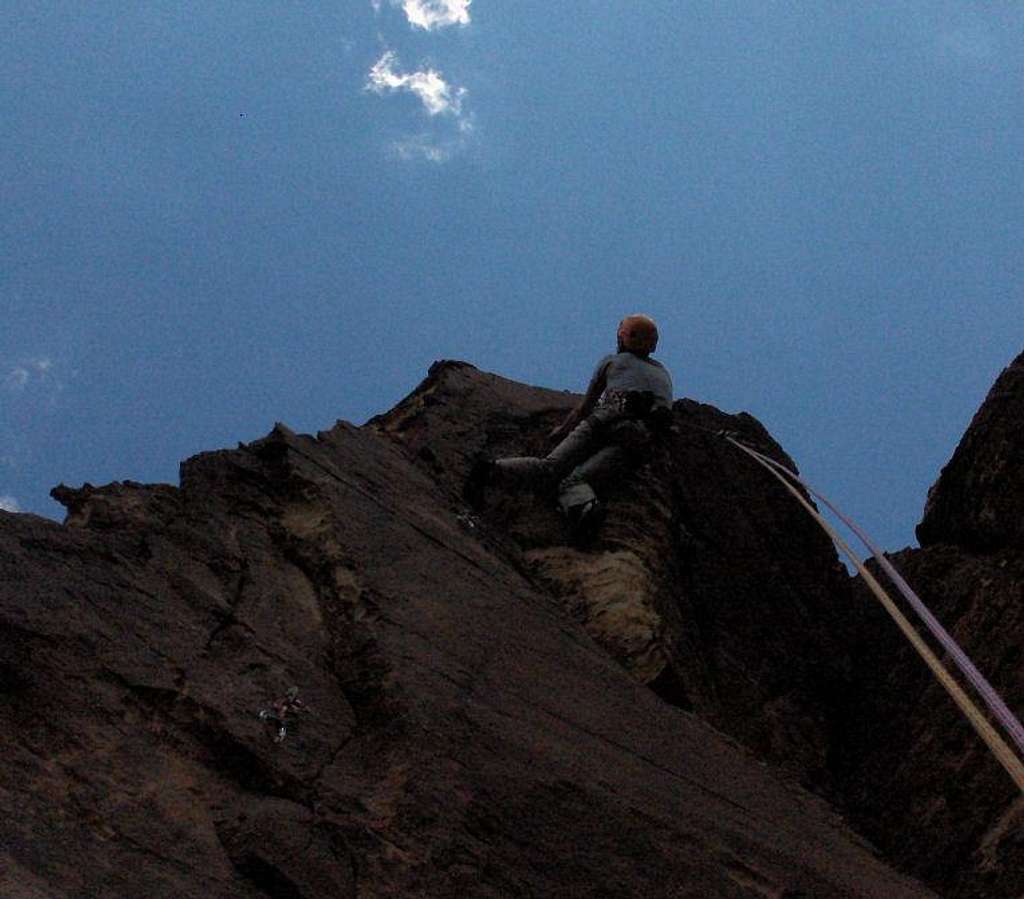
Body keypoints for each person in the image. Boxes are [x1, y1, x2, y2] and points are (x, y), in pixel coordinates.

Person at [466, 314, 674, 543]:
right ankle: (585, 512)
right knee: (575, 481)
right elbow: (662, 416)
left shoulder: (611, 362)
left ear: (624, 337)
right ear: (652, 343)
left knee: (550, 468)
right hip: (634, 437)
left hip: (600, 423)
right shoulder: (662, 374)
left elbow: (585, 406)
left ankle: (490, 471)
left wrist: (562, 430)